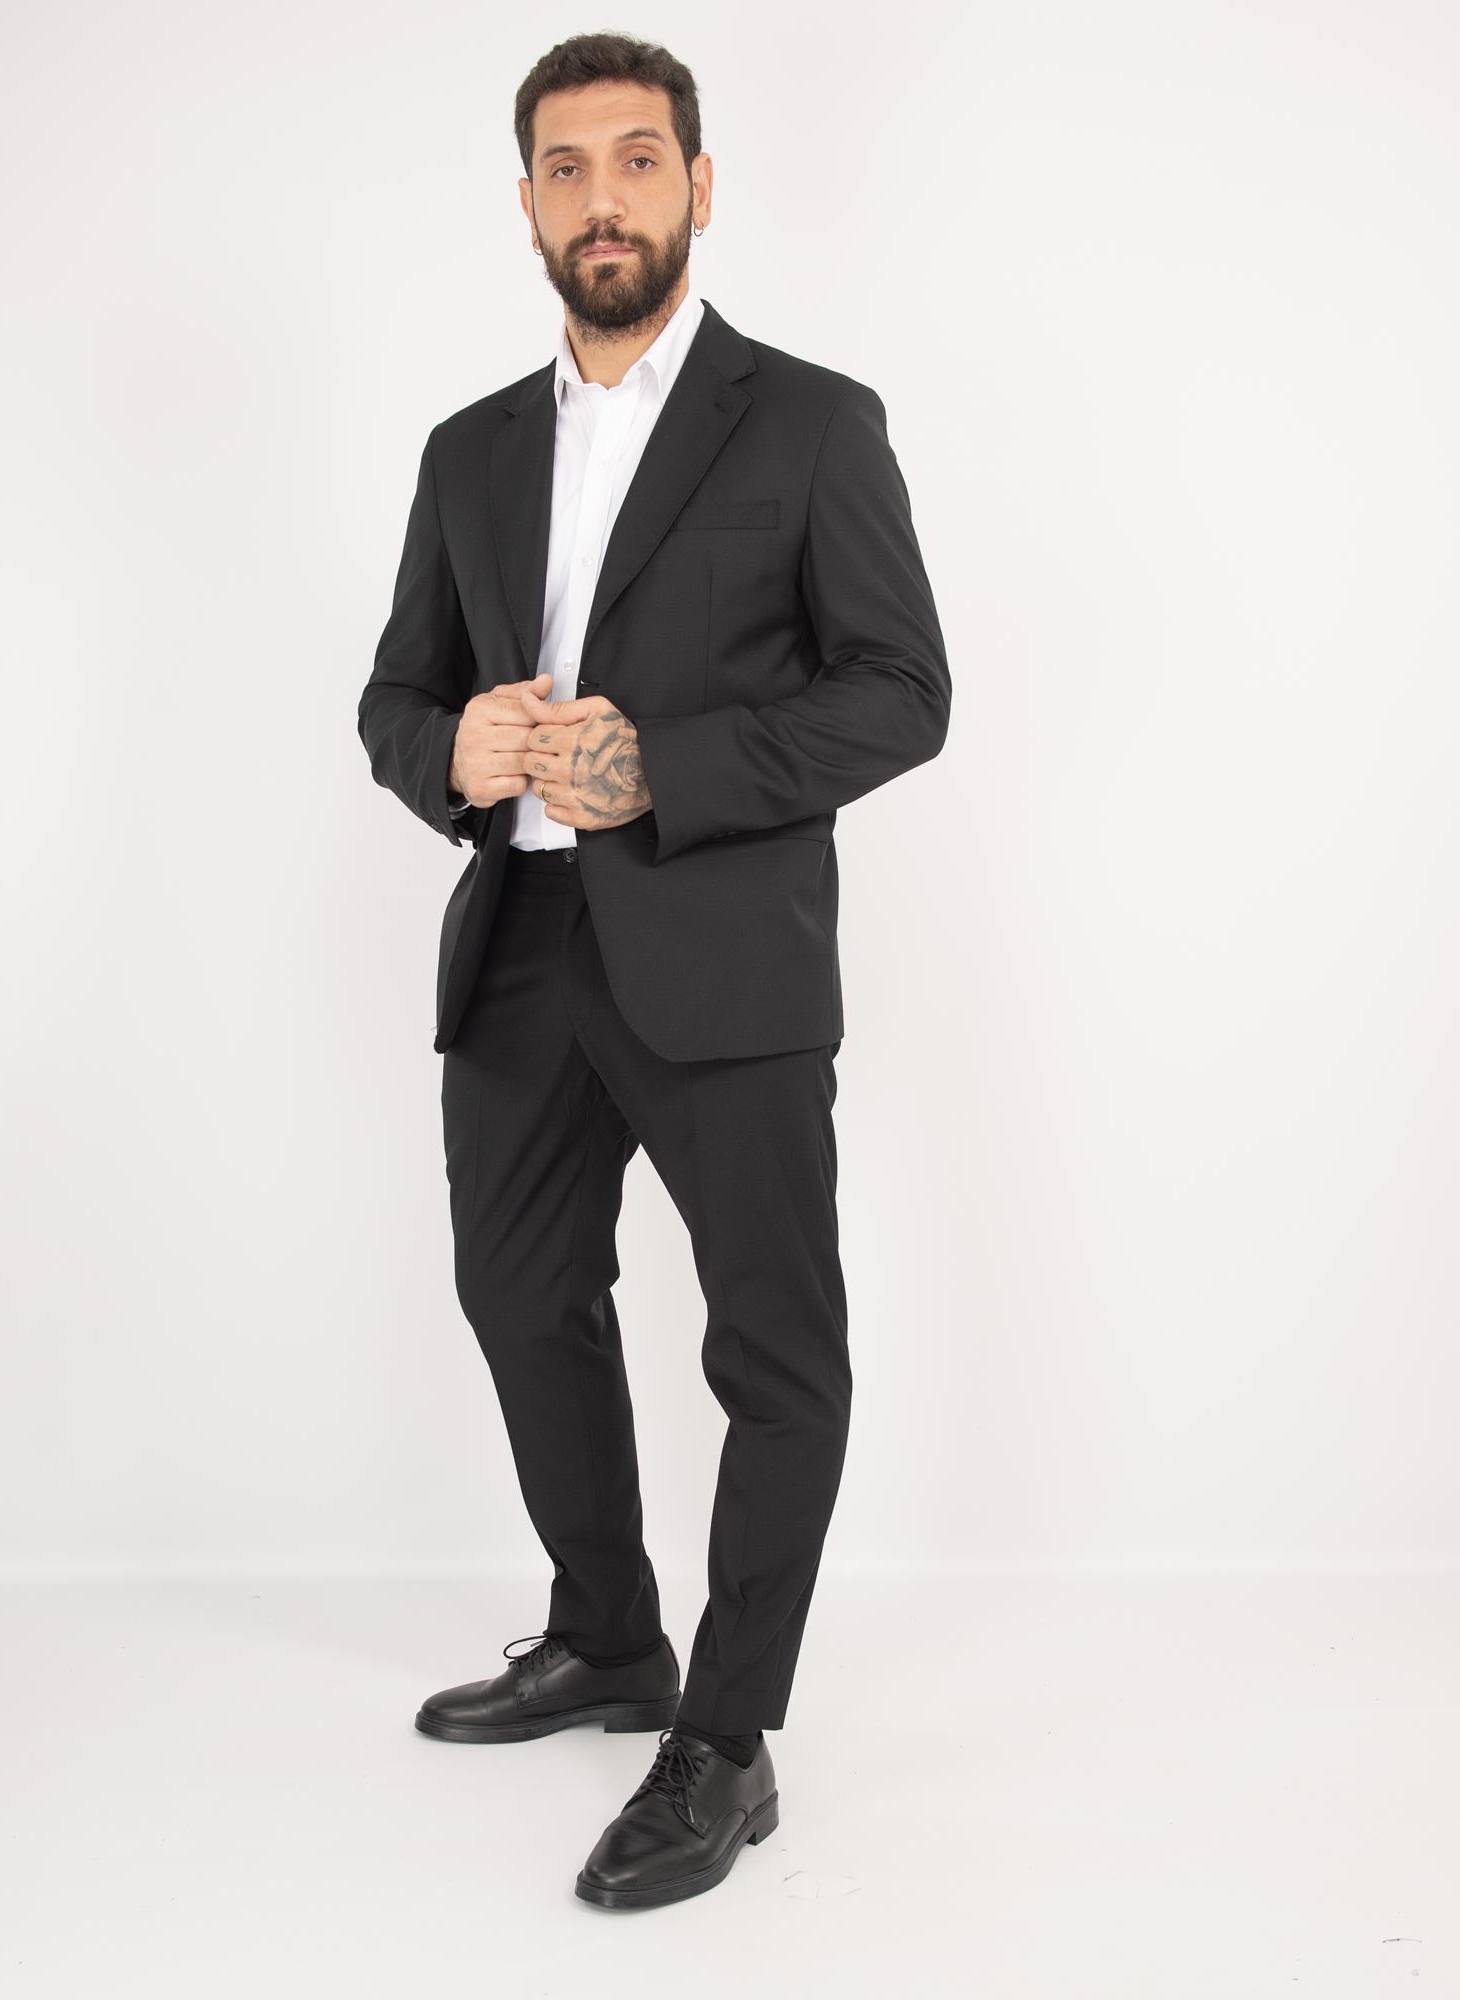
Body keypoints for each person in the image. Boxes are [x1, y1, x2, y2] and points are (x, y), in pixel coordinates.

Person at [356, 31, 950, 1910]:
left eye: (635, 159)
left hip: (722, 952)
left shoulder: (812, 423)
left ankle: (728, 1733)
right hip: (520, 945)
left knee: (773, 1344)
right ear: (528, 204)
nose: (601, 197)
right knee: (518, 1292)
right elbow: (394, 695)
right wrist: (449, 751)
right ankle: (609, 1634)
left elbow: (902, 692)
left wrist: (664, 768)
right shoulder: (468, 450)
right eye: (565, 167)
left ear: (699, 185)